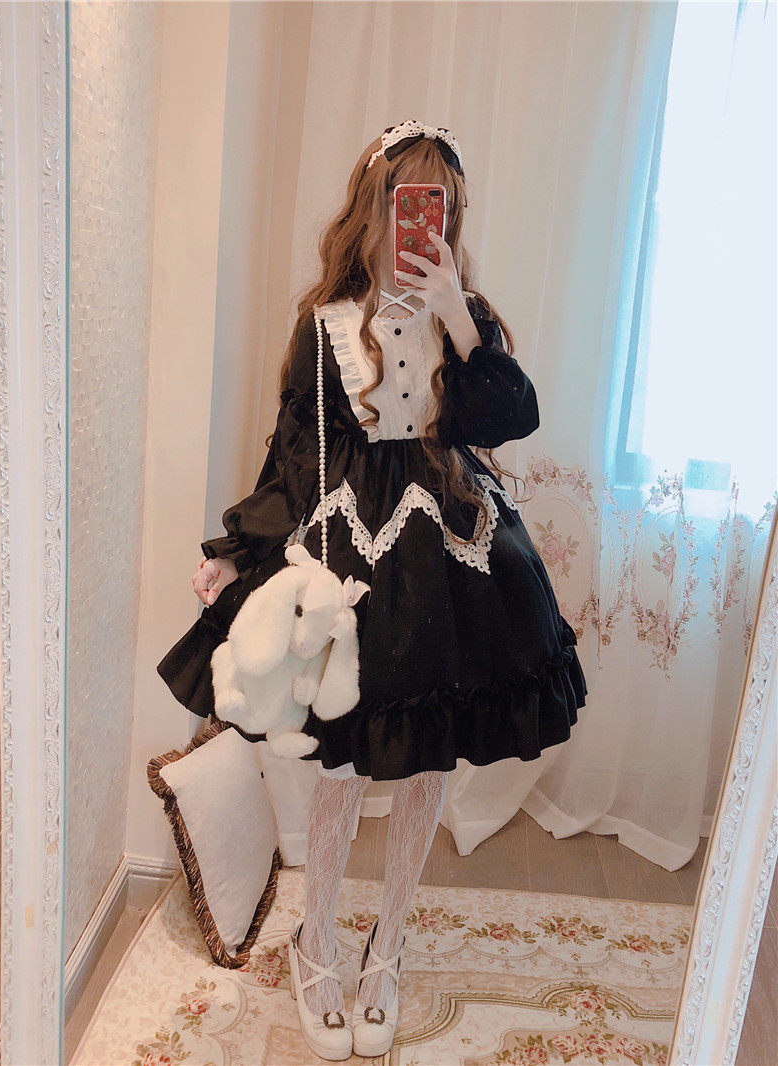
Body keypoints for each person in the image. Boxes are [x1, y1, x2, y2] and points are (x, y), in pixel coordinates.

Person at [157, 118, 587, 1059]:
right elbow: (292, 458)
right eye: (409, 203)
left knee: (431, 755)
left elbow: (508, 416)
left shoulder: (467, 321)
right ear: (375, 208)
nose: (424, 224)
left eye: (442, 208)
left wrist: (458, 316)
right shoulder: (325, 324)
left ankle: (387, 945)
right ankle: (316, 942)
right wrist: (234, 551)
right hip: (356, 555)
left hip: (450, 552)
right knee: (345, 760)